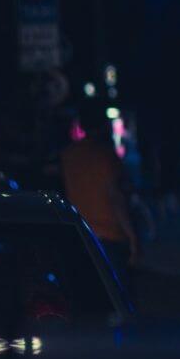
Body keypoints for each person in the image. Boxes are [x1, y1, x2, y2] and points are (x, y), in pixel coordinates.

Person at [61, 104, 139, 292]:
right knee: (119, 294)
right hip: (109, 235)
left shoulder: (69, 155)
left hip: (80, 233)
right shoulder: (106, 156)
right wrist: (133, 237)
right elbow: (116, 198)